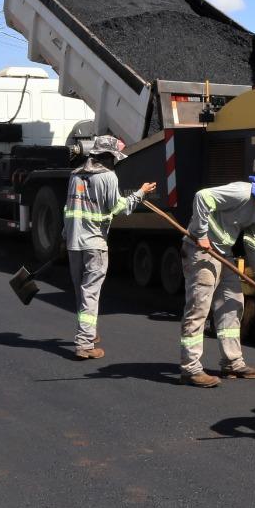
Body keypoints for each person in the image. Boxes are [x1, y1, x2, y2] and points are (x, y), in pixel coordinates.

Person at [179, 173, 255, 387]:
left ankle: (232, 363)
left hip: (223, 255)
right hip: (201, 251)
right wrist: (200, 233)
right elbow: (203, 197)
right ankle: (191, 368)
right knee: (199, 308)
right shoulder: (241, 193)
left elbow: (254, 246)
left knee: (233, 305)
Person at [65, 135, 156, 360]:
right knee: (91, 293)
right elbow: (118, 209)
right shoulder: (108, 177)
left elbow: (67, 209)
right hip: (95, 243)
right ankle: (84, 344)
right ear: (109, 156)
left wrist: (64, 236)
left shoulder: (75, 175)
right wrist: (140, 193)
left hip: (73, 242)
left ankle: (89, 332)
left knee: (82, 292)